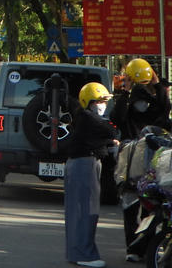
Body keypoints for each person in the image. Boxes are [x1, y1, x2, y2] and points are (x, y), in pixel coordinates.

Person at [64, 82, 120, 268]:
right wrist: (109, 138)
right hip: (85, 164)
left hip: (81, 163)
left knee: (77, 211)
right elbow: (111, 130)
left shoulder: (83, 117)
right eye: (100, 101)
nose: (103, 105)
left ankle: (77, 251)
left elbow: (103, 134)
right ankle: (85, 255)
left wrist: (107, 140)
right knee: (86, 210)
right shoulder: (88, 118)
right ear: (89, 101)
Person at [110, 58, 172, 141]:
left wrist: (157, 84)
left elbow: (164, 107)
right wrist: (126, 91)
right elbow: (118, 116)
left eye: (145, 101)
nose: (142, 103)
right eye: (139, 100)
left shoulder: (152, 114)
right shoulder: (128, 116)